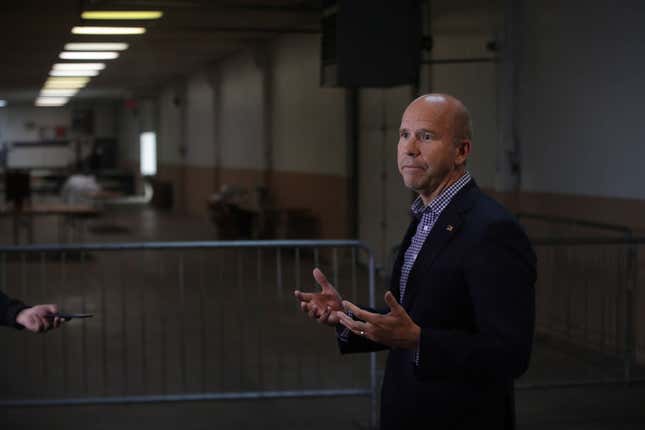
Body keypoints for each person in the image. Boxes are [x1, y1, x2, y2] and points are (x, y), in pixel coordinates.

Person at [294, 94, 536, 429]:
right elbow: (408, 322)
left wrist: (421, 341)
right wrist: (345, 315)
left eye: (426, 136)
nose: (409, 148)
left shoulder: (491, 230)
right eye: (404, 134)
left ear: (461, 152)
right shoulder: (425, 217)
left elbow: (510, 353)